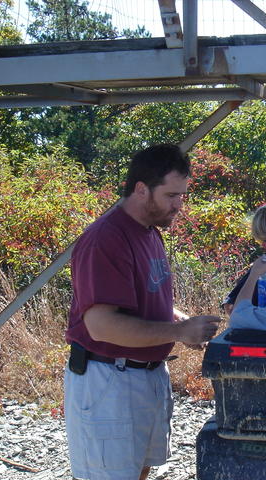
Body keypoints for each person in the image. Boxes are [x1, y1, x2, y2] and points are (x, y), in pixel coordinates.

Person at [64, 143, 221, 480]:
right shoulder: (106, 238)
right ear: (140, 189)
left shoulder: (149, 233)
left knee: (138, 471)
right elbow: (101, 325)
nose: (180, 204)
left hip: (145, 375)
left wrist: (178, 321)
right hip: (108, 380)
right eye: (171, 195)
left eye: (182, 194)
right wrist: (178, 333)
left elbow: (144, 302)